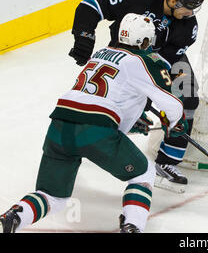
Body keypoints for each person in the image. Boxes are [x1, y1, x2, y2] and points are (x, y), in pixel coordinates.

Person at [0, 13, 188, 233]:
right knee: (143, 173)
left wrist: (131, 120)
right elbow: (173, 104)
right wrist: (175, 123)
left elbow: (105, 95)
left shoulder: (100, 54)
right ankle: (132, 226)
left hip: (60, 125)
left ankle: (15, 215)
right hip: (95, 129)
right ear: (145, 41)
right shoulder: (141, 60)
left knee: (53, 196)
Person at [69, 0, 204, 193]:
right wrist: (84, 38)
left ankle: (168, 160)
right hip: (125, 53)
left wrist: (154, 96)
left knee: (188, 95)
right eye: (188, 7)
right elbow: (91, 5)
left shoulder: (188, 27)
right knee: (107, 98)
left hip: (158, 58)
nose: (191, 14)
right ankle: (85, 139)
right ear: (173, 0)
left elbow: (162, 66)